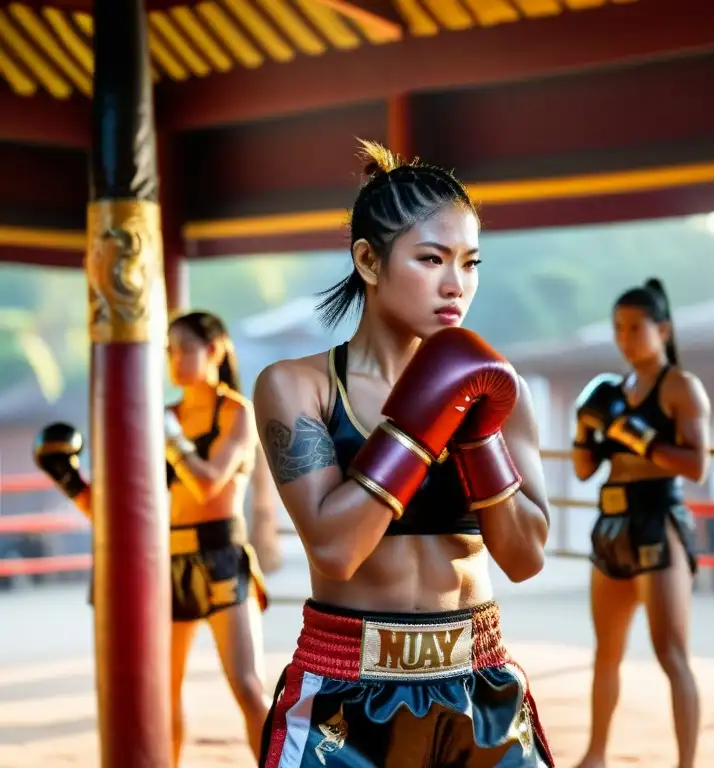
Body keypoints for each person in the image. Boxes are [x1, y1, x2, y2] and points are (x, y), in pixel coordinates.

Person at [251, 140, 553, 767]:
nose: (456, 285)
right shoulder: (297, 386)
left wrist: (476, 429)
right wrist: (422, 418)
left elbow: (524, 558)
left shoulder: (498, 387)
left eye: (470, 263)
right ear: (368, 259)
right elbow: (335, 550)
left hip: (480, 680)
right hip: (347, 692)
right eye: (431, 259)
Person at [34, 310, 271, 766]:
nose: (173, 358)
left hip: (221, 558)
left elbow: (207, 482)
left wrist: (170, 436)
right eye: (168, 350)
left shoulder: (236, 412)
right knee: (164, 692)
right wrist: (68, 478)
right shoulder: (167, 417)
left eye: (183, 348)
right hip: (168, 563)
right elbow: (117, 509)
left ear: (215, 351)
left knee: (247, 686)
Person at [571, 278, 710, 768]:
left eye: (635, 327)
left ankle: (687, 763)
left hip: (658, 521)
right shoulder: (612, 389)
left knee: (671, 654)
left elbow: (697, 465)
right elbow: (584, 469)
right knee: (605, 651)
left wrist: (636, 436)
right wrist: (585, 430)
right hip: (611, 523)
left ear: (663, 328)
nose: (624, 338)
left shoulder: (680, 386)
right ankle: (595, 753)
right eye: (618, 328)